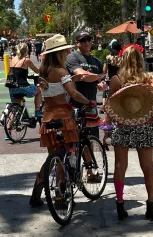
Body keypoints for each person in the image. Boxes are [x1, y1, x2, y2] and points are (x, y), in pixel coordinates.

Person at [29, 34, 95, 207]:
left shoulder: (43, 71)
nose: (67, 53)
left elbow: (41, 93)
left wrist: (37, 110)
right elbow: (73, 93)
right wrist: (88, 101)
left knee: (53, 157)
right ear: (59, 53)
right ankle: (59, 195)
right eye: (65, 50)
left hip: (47, 117)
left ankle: (36, 193)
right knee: (68, 152)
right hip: (64, 117)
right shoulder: (61, 71)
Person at [105, 44, 153, 221]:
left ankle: (120, 204)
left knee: (120, 166)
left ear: (123, 60)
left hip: (123, 123)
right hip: (144, 124)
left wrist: (107, 127)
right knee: (148, 167)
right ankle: (150, 205)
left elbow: (110, 106)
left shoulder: (117, 79)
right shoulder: (147, 78)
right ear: (140, 60)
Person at [65, 31, 106, 136]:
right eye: (83, 40)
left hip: (91, 104)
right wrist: (99, 76)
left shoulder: (97, 61)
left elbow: (100, 82)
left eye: (88, 39)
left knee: (92, 137)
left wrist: (102, 83)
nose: (86, 42)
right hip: (74, 104)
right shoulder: (72, 57)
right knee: (74, 137)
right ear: (77, 43)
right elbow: (81, 74)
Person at [6, 43, 43, 140]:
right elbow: (37, 71)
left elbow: (18, 73)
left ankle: (8, 129)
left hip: (12, 87)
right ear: (26, 51)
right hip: (22, 87)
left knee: (16, 105)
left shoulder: (13, 59)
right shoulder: (27, 60)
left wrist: (28, 76)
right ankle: (37, 110)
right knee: (38, 91)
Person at [102, 41, 123, 111]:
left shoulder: (108, 58)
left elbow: (104, 70)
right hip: (121, 80)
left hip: (110, 80)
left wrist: (103, 79)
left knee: (107, 95)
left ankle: (104, 107)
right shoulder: (123, 58)